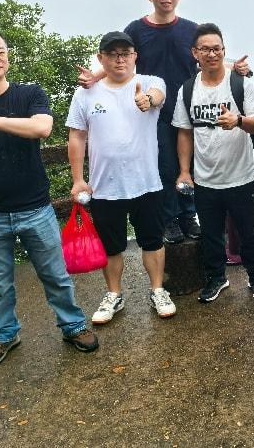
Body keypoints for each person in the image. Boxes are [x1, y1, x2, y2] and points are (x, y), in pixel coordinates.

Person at [76, 0, 252, 244]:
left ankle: (188, 216)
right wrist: (95, 77)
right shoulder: (136, 29)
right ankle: (169, 220)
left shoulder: (190, 30)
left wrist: (233, 67)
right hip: (152, 110)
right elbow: (120, 58)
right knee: (164, 167)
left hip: (189, 107)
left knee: (190, 165)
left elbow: (206, 57)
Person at [0, 27, 98, 368]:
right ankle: (4, 335)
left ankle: (73, 326)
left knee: (55, 275)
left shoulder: (30, 93)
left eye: (0, 51)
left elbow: (41, 128)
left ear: (8, 56)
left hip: (35, 207)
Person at [66, 31, 176, 324]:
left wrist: (147, 100)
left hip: (146, 183)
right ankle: (114, 294)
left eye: (125, 53)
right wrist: (78, 179)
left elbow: (158, 96)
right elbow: (77, 136)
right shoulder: (85, 93)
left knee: (153, 241)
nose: (120, 59)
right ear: (100, 58)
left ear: (135, 56)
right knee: (111, 246)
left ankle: (158, 290)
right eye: (112, 54)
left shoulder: (150, 82)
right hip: (104, 186)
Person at [172, 23, 254, 303]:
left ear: (224, 51)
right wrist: (184, 171)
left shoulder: (240, 83)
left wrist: (237, 120)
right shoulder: (188, 89)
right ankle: (216, 278)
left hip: (240, 175)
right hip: (205, 178)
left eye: (217, 48)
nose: (212, 54)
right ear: (195, 53)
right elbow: (184, 132)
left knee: (249, 232)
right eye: (205, 49)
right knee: (211, 233)